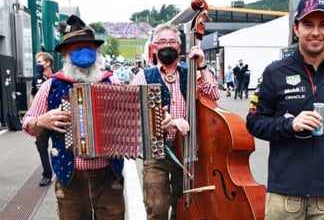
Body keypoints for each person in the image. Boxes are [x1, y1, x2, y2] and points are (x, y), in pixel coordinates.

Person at [246, 0, 324, 220]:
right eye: (308, 24)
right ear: (296, 27)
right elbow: (254, 122)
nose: (315, 32)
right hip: (284, 194)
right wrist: (290, 124)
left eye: (323, 24)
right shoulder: (274, 72)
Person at [22, 15, 125, 219]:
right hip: (70, 179)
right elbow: (27, 123)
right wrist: (40, 121)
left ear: (97, 52)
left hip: (108, 176)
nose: (84, 54)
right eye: (77, 49)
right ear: (65, 53)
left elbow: (134, 120)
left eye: (89, 48)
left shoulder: (111, 82)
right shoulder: (52, 85)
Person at [131, 23, 220, 220]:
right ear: (154, 47)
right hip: (156, 152)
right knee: (157, 207)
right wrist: (163, 120)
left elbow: (214, 94)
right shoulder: (143, 76)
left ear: (180, 47)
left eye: (172, 41)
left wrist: (203, 65)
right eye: (162, 42)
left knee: (183, 207)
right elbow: (133, 113)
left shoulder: (192, 73)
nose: (167, 46)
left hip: (187, 150)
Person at [29, 52, 54, 186]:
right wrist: (32, 115)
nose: (37, 65)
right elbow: (32, 96)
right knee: (41, 145)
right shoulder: (36, 79)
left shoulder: (57, 77)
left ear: (48, 63)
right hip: (42, 120)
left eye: (40, 62)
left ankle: (65, 171)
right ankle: (47, 174)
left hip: (57, 119)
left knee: (63, 146)